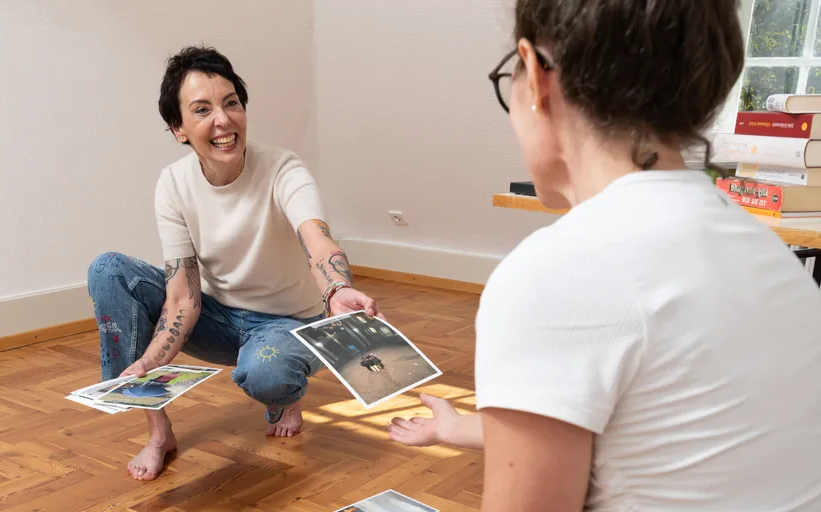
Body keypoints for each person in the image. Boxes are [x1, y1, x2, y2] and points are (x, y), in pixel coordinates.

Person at [389, 0, 821, 510]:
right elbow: (662, 429)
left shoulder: (560, 272)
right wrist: (459, 426)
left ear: (535, 74)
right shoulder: (766, 254)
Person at [87, 45, 383, 481]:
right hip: (217, 317)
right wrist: (149, 362)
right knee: (108, 270)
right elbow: (183, 295)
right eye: (202, 110)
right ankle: (158, 431)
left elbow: (317, 240)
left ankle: (284, 394)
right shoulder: (173, 184)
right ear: (179, 129)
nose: (223, 120)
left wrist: (337, 290)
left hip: (287, 323)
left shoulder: (284, 169)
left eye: (231, 104)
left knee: (267, 373)